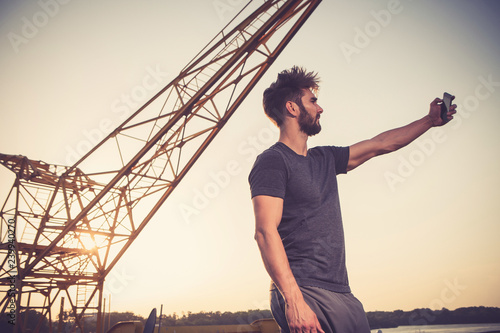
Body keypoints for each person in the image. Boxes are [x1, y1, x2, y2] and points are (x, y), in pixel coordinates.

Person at [248, 66, 457, 333]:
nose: (320, 108)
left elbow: (380, 144)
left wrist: (429, 121)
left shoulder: (324, 158)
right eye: (312, 101)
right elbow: (265, 232)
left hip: (341, 292)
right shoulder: (273, 161)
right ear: (292, 108)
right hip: (305, 289)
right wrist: (294, 299)